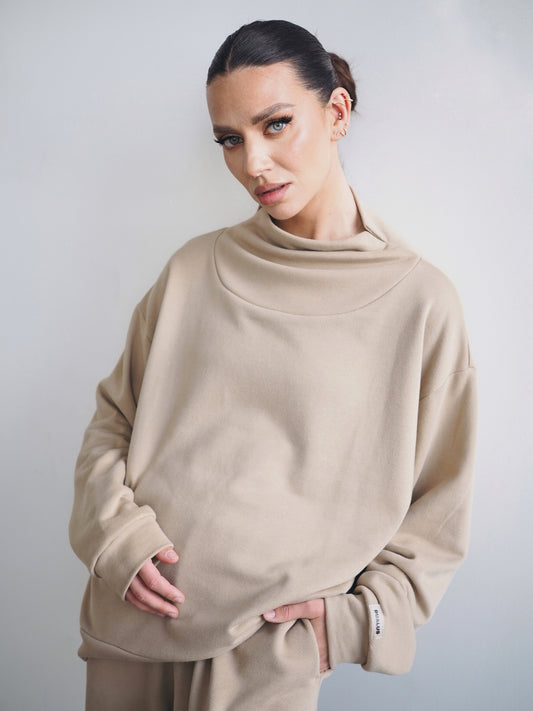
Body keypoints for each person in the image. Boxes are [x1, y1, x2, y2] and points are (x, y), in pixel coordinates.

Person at [69, 19, 478, 711]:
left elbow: (442, 504)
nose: (253, 162)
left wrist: (351, 625)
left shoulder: (419, 302)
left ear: (337, 112)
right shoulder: (194, 269)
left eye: (275, 124)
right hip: (132, 627)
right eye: (230, 139)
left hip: (270, 655)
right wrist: (116, 538)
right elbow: (112, 422)